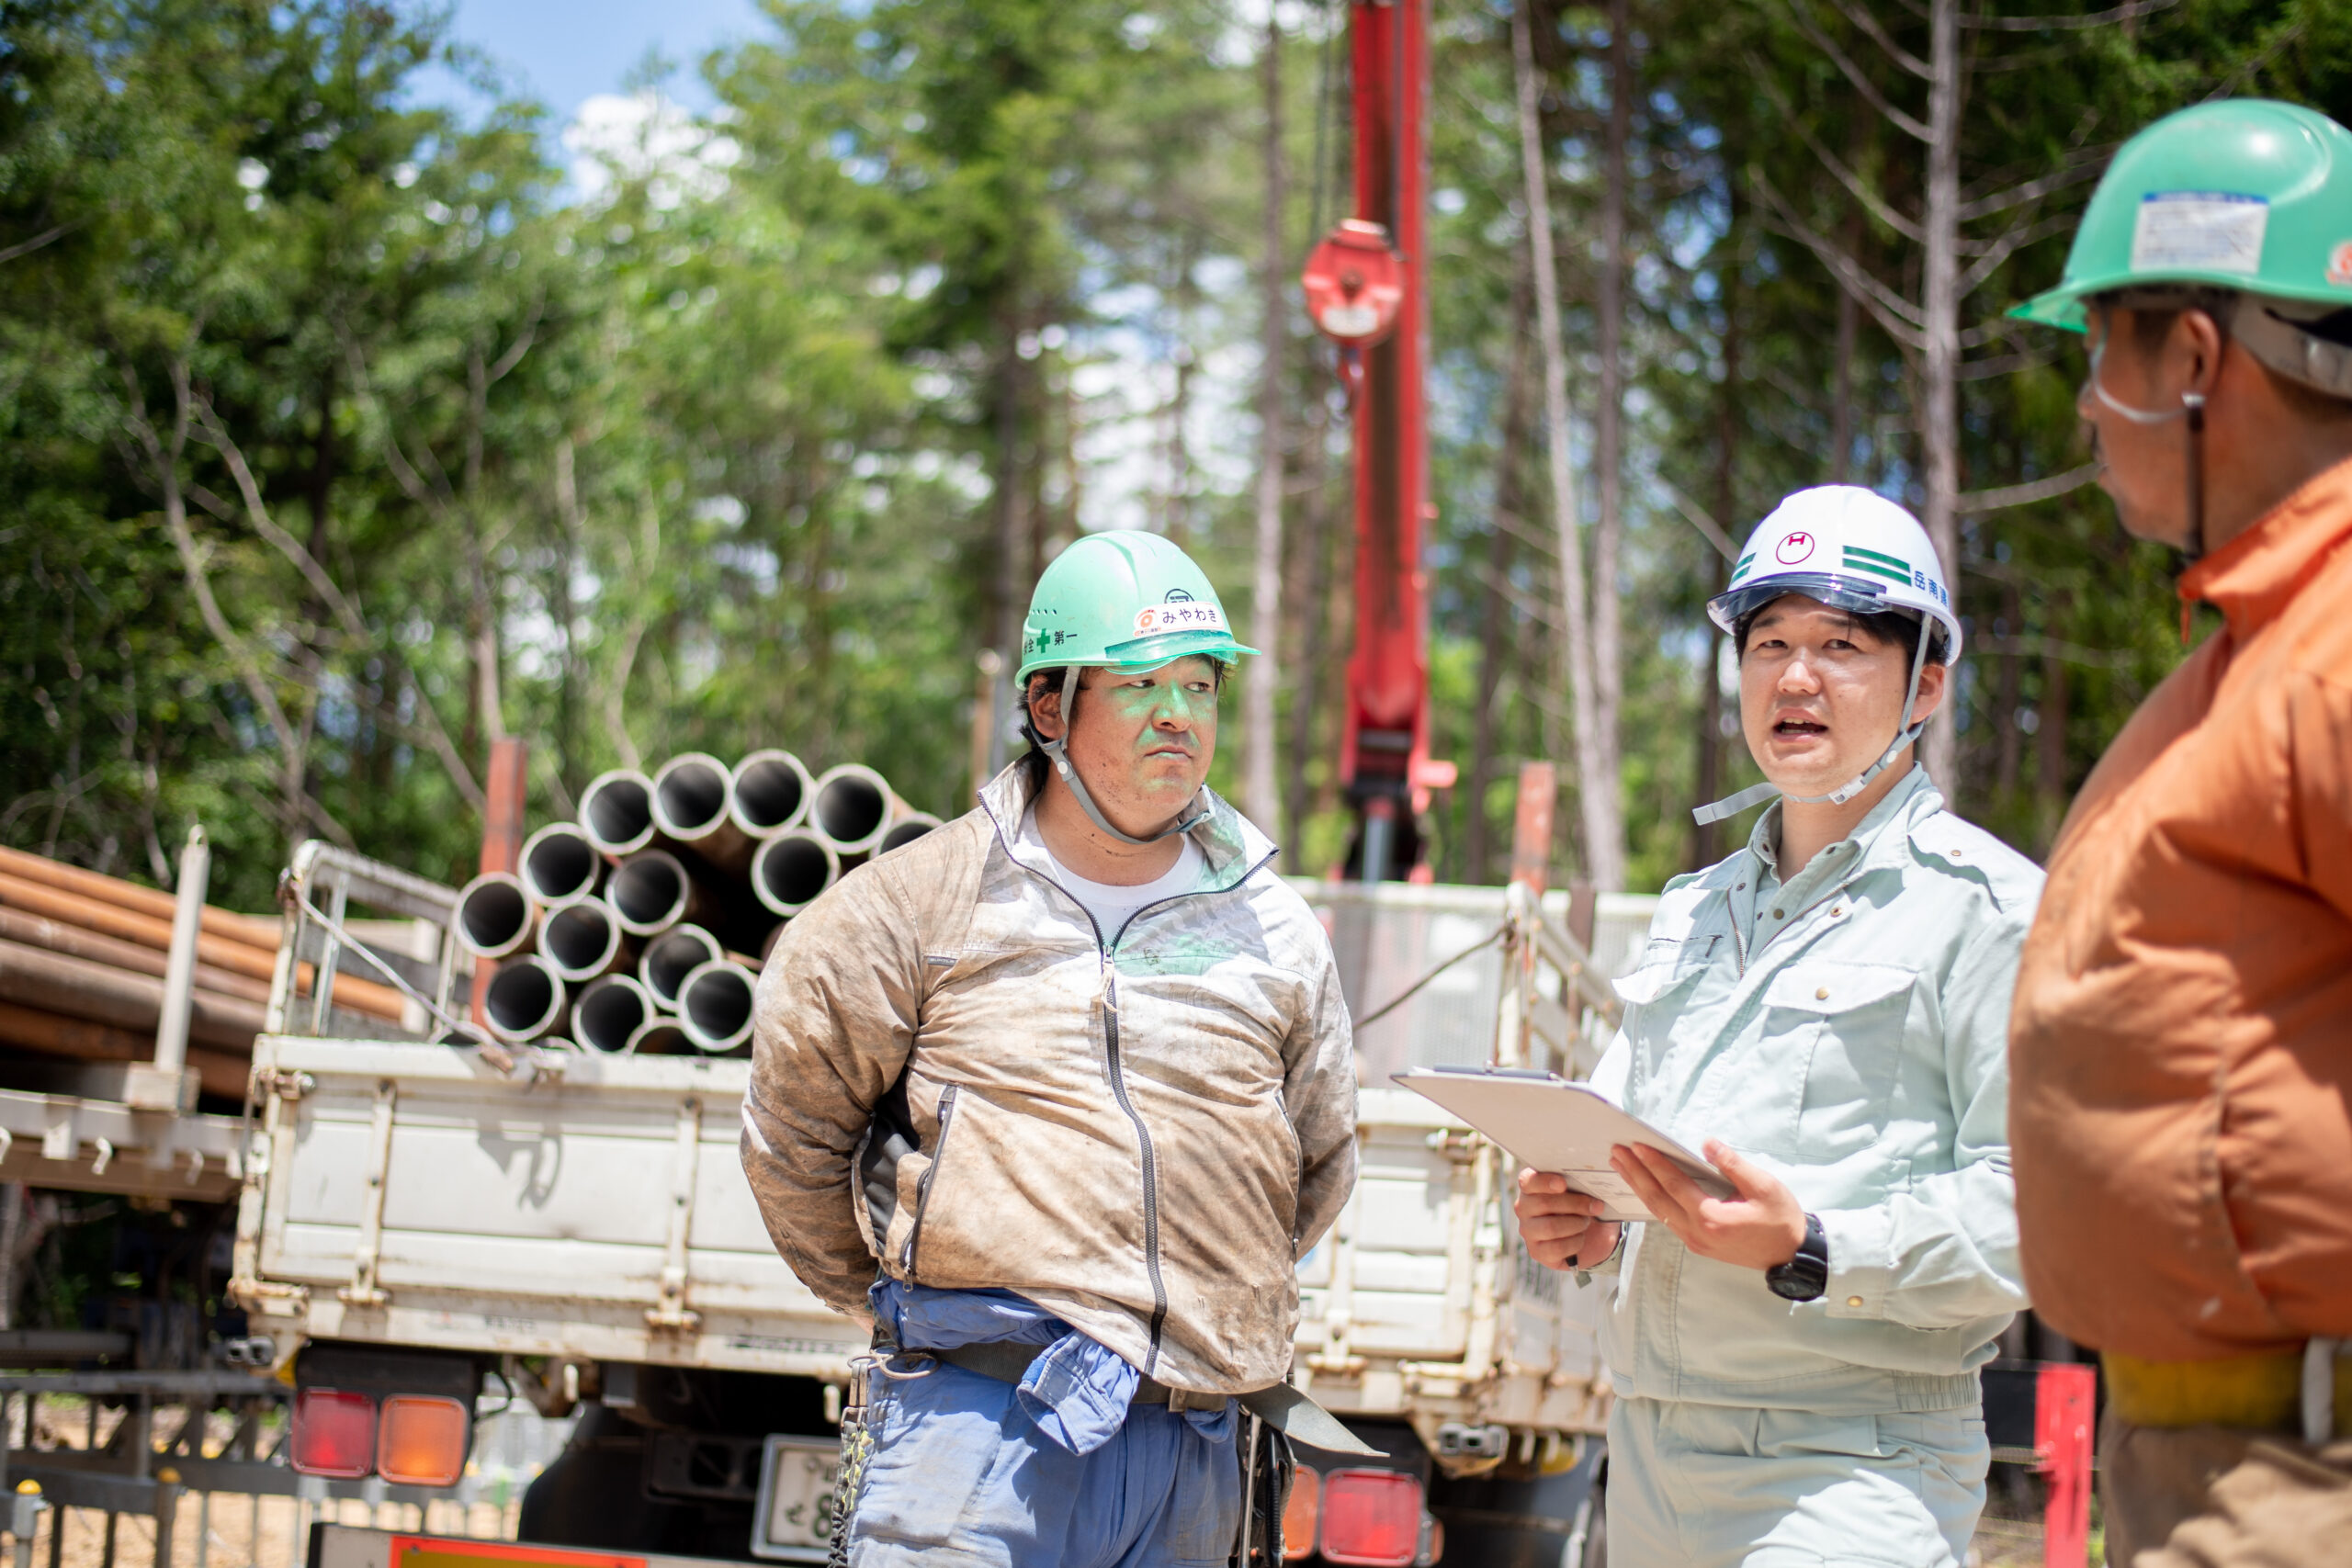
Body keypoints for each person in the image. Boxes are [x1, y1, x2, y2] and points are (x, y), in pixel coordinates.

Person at [741, 529, 1359, 1568]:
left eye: (1201, 686)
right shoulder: (915, 908)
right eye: (1141, 684)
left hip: (1194, 1450)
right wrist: (910, 1310)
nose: (1179, 714)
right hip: (973, 1432)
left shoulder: (1275, 931)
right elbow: (792, 1140)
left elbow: (1314, 1166)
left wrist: (1193, 1296)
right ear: (1047, 708)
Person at [1513, 486, 2041, 1567]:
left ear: (1925, 683)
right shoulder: (1693, 912)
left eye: (1840, 643)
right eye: (1768, 643)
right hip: (1650, 1459)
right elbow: (1632, 1146)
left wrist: (1811, 1246)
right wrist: (1591, 1216)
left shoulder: (1990, 914)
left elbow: (2040, 1216)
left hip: (1849, 1472)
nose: (1794, 676)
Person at [2003, 98, 2352, 1564]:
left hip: (2301, 1474)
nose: (2087, 403)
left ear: (2197, 360)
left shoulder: (2331, 651)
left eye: (2101, 350)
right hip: (2223, 1462)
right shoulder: (2258, 650)